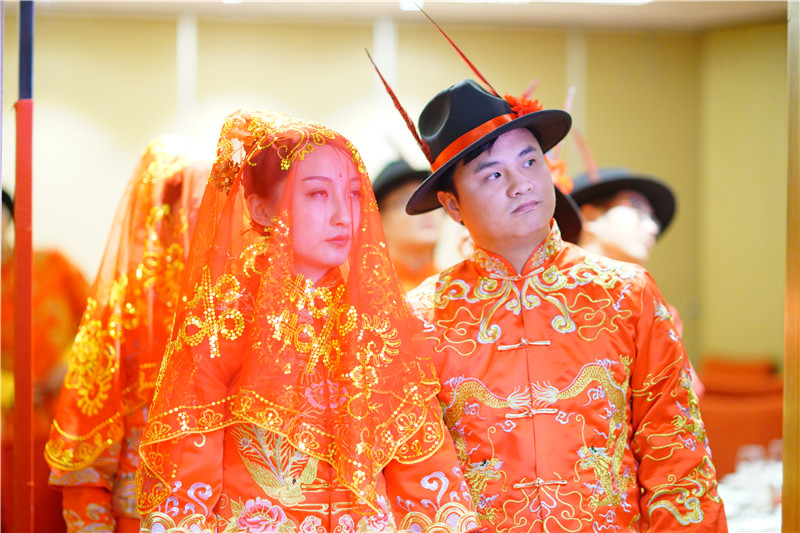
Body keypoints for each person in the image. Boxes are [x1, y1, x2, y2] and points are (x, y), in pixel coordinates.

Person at [391, 79, 727, 530]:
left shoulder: (626, 293)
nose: (520, 185)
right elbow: (417, 473)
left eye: (530, 161)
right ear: (452, 206)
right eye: (493, 174)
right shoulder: (421, 317)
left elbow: (676, 450)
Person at [135, 110, 481, 532]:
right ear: (262, 209)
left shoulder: (379, 322)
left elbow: (424, 468)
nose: (343, 215)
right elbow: (187, 480)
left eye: (353, 193)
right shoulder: (223, 322)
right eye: (317, 193)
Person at [43, 135, 210, 532]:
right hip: (141, 516)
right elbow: (85, 451)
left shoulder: (236, 301)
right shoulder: (124, 308)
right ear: (163, 214)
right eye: (198, 208)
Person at [570, 167, 706, 397]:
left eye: (653, 218)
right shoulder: (541, 296)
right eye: (637, 209)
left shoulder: (654, 311)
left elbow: (683, 395)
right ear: (591, 217)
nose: (653, 228)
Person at [1, 188, 89, 533]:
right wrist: (11, 388)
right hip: (13, 429)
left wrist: (70, 362)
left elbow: (99, 317)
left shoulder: (53, 264)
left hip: (75, 419)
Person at [373, 159, 445, 291]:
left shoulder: (459, 288)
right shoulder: (364, 291)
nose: (426, 211)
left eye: (431, 201)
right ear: (379, 220)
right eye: (408, 202)